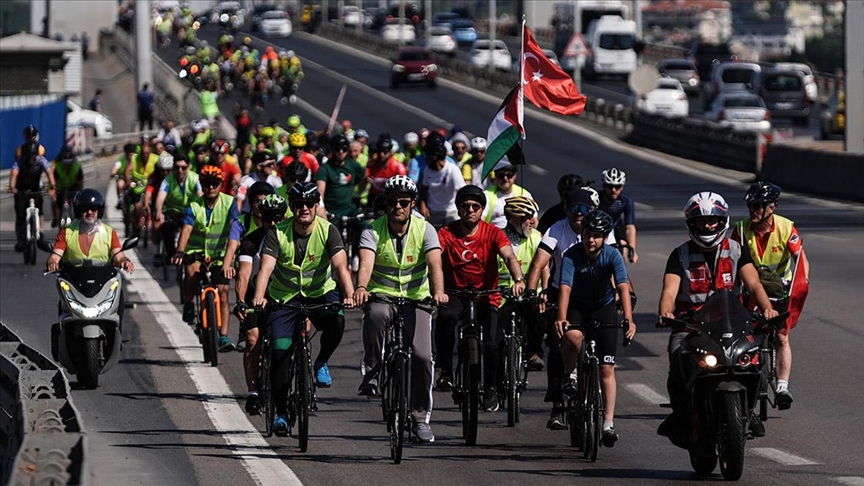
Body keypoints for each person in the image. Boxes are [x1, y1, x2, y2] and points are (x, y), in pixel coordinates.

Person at [657, 191, 779, 445]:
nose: (708, 225)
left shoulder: (736, 249)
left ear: (723, 221)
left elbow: (754, 284)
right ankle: (680, 414)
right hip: (691, 327)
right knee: (676, 354)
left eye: (713, 220)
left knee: (755, 358)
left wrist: (767, 308)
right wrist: (666, 312)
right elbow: (669, 290)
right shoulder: (679, 255)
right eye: (702, 221)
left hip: (731, 324)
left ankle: (751, 409)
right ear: (692, 224)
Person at [252, 182, 355, 436]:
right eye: (299, 204)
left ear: (316, 205)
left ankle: (320, 362)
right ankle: (282, 414)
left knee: (337, 321)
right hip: (285, 299)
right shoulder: (277, 233)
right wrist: (259, 297)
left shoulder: (328, 231)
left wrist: (351, 294)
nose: (305, 209)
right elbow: (265, 269)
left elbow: (341, 267)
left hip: (320, 294)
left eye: (310, 203)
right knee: (279, 354)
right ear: (292, 207)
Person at [353, 176, 448, 443]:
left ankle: (419, 418)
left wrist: (438, 292)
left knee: (421, 356)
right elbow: (366, 265)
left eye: (404, 202)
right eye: (392, 202)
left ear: (412, 204)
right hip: (383, 296)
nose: (398, 207)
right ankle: (372, 370)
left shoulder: (425, 229)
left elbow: (435, 266)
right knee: (375, 315)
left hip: (416, 298)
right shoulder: (372, 230)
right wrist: (361, 287)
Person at [525, 188, 611, 430]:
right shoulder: (557, 229)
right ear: (566, 210)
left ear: (591, 211)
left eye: (583, 210)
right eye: (573, 209)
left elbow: (616, 266)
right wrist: (532, 291)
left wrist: (625, 295)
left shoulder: (601, 228)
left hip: (595, 293)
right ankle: (557, 405)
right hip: (561, 290)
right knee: (557, 342)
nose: (578, 214)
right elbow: (539, 262)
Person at [435, 185, 526, 413]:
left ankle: (491, 387)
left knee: (493, 343)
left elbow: (509, 256)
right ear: (458, 209)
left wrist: (518, 279)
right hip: (455, 293)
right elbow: (434, 258)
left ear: (482, 210)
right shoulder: (446, 232)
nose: (470, 210)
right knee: (445, 318)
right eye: (465, 206)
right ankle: (446, 371)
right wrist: (437, 289)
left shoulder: (493, 232)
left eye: (476, 206)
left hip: (487, 296)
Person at [555, 210, 636, 447]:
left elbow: (622, 288)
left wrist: (629, 318)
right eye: (587, 234)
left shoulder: (612, 255)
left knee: (606, 369)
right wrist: (561, 317)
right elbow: (565, 289)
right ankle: (570, 374)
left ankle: (608, 424)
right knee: (572, 336)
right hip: (578, 306)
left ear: (605, 237)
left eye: (597, 236)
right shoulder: (571, 255)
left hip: (604, 307)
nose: (591, 240)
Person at [732, 181, 809, 410]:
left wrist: (802, 284)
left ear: (771, 208)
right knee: (745, 336)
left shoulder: (786, 228)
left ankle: (783, 386)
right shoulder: (741, 229)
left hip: (780, 289)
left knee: (782, 338)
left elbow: (801, 261)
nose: (753, 211)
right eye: (751, 206)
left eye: (758, 206)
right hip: (751, 290)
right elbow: (730, 259)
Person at [172, 165, 241, 352]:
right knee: (191, 274)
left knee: (224, 293)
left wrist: (234, 250)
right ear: (202, 185)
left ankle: (224, 336)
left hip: (220, 255)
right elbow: (186, 229)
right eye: (208, 184)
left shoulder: (229, 202)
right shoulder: (194, 205)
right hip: (197, 252)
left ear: (221, 185)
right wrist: (180, 251)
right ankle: (188, 304)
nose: (211, 187)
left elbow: (234, 225)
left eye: (215, 184)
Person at [228, 190, 285, 414]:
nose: (273, 223)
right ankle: (253, 391)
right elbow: (243, 273)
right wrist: (241, 300)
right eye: (268, 218)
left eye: (278, 218)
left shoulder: (292, 238)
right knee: (252, 339)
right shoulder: (251, 241)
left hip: (284, 297)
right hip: (256, 297)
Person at [497, 196, 548, 372]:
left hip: (530, 294)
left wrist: (544, 291)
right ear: (513, 219)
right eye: (525, 218)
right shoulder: (498, 238)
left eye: (532, 216)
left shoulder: (536, 237)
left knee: (539, 316)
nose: (531, 222)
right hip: (503, 295)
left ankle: (533, 352)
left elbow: (544, 267)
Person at [46, 188, 134, 273]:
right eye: (85, 209)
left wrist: (125, 261)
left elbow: (119, 256)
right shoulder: (67, 232)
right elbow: (55, 256)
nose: (89, 212)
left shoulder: (109, 232)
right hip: (73, 281)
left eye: (93, 208)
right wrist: (52, 262)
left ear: (99, 210)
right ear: (79, 210)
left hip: (103, 281)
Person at [8, 140, 56, 252]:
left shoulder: (41, 160)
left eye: (33, 156)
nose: (31, 158)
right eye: (28, 156)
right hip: (21, 188)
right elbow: (14, 173)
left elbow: (49, 172)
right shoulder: (20, 162)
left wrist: (52, 186)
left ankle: (40, 230)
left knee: (39, 208)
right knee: (20, 215)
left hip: (35, 188)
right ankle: (20, 239)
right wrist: (12, 187)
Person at [154, 152, 201, 259]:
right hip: (173, 211)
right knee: (165, 226)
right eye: (177, 167)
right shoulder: (168, 180)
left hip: (191, 211)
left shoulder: (195, 178)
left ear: (188, 167)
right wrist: (159, 212)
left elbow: (201, 194)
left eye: (183, 168)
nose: (180, 171)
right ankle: (170, 253)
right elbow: (160, 198)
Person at [417, 132, 464, 228]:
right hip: (433, 211)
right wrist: (423, 206)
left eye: (428, 156)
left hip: (451, 210)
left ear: (434, 157)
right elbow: (424, 190)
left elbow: (462, 191)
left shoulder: (452, 170)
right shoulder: (428, 170)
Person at [598, 168, 638, 264]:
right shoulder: (597, 198)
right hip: (599, 226)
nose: (613, 190)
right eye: (610, 186)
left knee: (622, 245)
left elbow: (630, 227)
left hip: (616, 225)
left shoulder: (625, 200)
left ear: (622, 187)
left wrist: (632, 249)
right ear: (604, 186)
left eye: (617, 186)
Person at [124, 138, 158, 237]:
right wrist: (128, 181)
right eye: (143, 153)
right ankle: (136, 225)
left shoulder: (155, 159)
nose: (145, 156)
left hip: (150, 187)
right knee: (136, 207)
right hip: (137, 186)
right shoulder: (135, 158)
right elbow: (127, 171)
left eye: (147, 153)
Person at [483, 162, 533, 229]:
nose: (505, 179)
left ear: (515, 175)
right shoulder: (487, 195)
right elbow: (481, 219)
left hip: (518, 236)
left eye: (509, 175)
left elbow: (533, 221)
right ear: (495, 175)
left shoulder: (524, 194)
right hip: (494, 236)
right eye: (501, 175)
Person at [51, 145, 84, 227]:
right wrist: (54, 192)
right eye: (66, 163)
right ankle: (56, 218)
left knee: (77, 202)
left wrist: (79, 193)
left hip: (73, 186)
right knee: (55, 202)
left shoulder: (77, 167)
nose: (67, 166)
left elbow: (80, 182)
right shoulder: (57, 167)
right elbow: (53, 182)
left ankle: (78, 220)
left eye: (70, 163)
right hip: (61, 187)